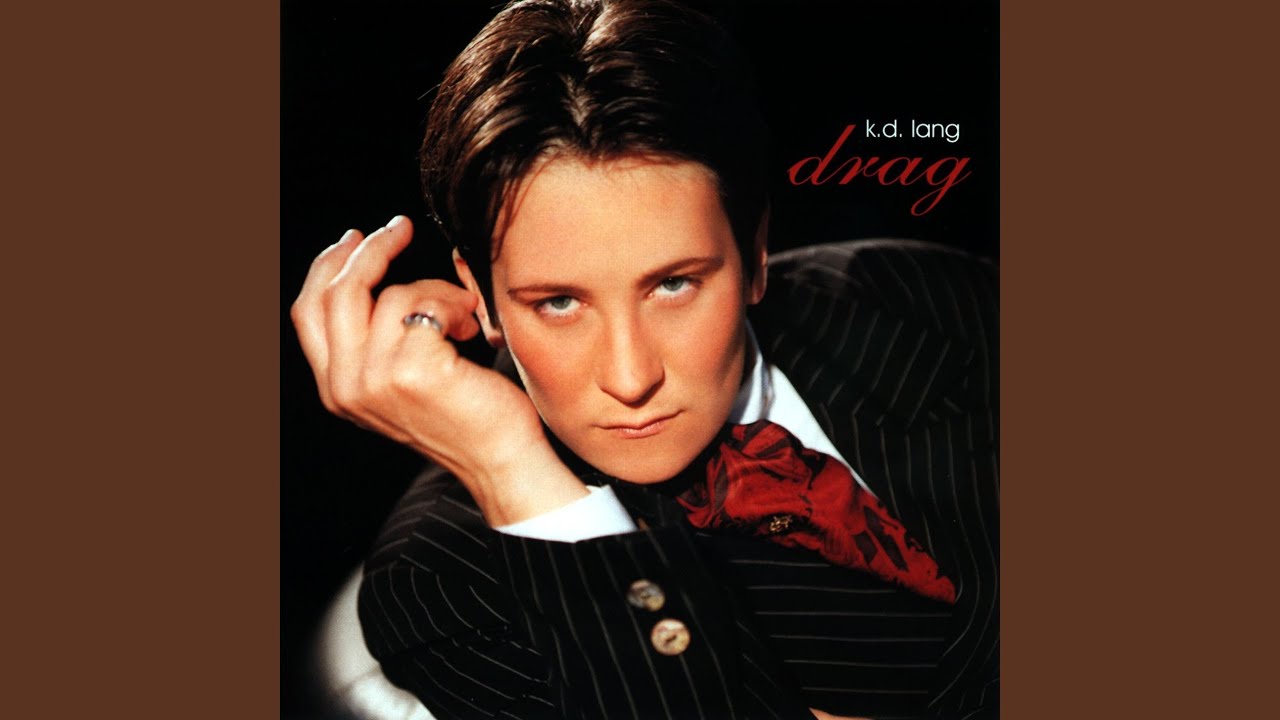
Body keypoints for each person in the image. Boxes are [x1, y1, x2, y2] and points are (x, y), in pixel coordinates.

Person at [291, 1, 998, 718]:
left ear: (755, 254)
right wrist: (513, 469)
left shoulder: (928, 300)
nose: (631, 379)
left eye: (674, 285)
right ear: (483, 299)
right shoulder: (446, 586)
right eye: (558, 302)